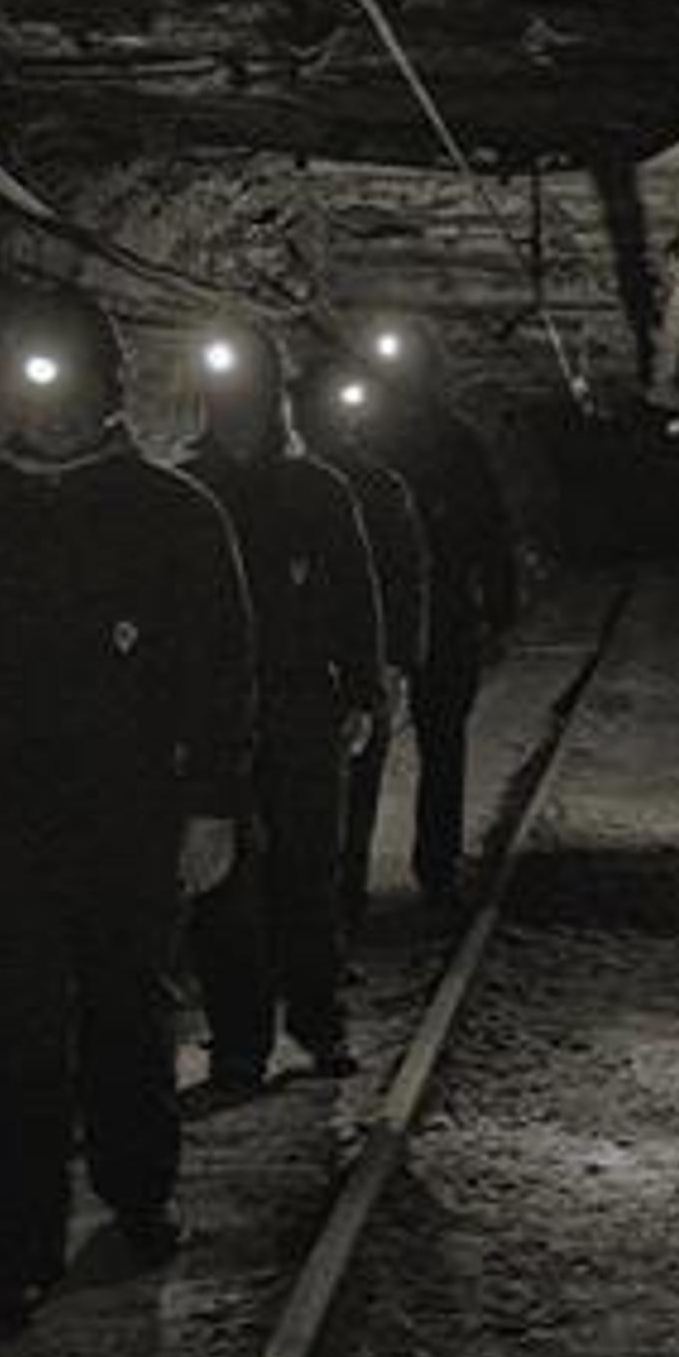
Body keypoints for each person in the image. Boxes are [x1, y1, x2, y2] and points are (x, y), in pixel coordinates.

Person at [0, 286, 256, 1330]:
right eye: (28, 383)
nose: (45, 406)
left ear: (109, 389)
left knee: (127, 1012)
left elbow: (221, 674)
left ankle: (140, 1190)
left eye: (65, 382)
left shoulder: (176, 516)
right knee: (11, 1034)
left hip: (130, 812)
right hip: (1, 812)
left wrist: (212, 806)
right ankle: (15, 1242)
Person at [178, 321, 386, 1094]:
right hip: (211, 718)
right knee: (221, 879)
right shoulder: (184, 491)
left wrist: (363, 689)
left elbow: (355, 596)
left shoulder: (317, 491)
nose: (238, 406)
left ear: (274, 397)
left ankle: (317, 1021)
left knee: (306, 870)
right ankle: (240, 1040)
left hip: (299, 705)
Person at [361, 315, 520, 913]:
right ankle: (427, 868)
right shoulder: (432, 441)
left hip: (431, 613)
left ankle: (428, 865)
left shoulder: (417, 441)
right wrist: (500, 610)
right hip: (405, 612)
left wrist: (499, 607)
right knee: (421, 742)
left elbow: (488, 529)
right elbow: (493, 530)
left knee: (427, 740)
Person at [299, 363, 429, 945]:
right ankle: (323, 924)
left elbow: (404, 577)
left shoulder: (375, 488)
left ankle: (337, 922)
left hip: (350, 663)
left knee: (348, 805)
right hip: (306, 668)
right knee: (338, 806)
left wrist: (394, 663)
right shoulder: (293, 484)